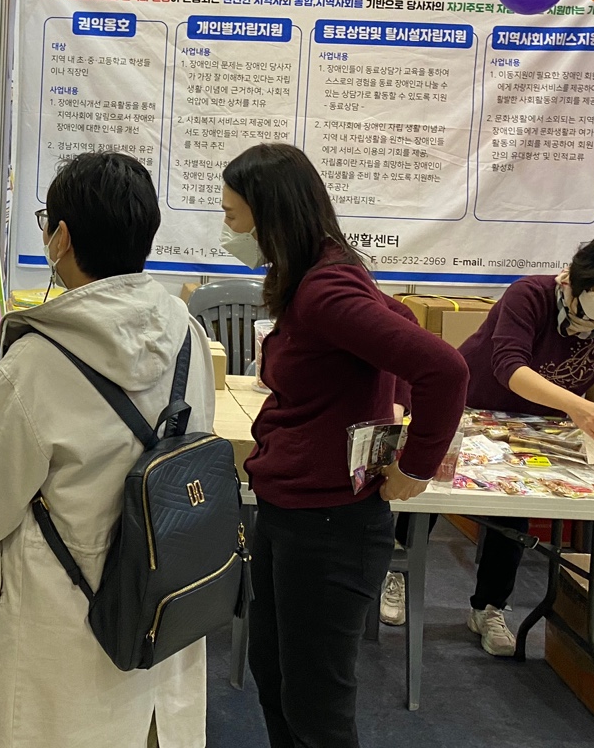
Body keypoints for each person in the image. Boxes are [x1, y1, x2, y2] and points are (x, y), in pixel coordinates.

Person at [0, 152, 218, 748]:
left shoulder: (36, 363)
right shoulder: (187, 332)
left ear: (61, 237)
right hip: (161, 607)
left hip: (59, 629)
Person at [221, 143, 467, 748]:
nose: (226, 228)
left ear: (270, 215)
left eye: (232, 215)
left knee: (316, 703)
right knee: (276, 675)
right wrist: (387, 401)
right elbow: (400, 321)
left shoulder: (324, 289)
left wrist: (417, 464)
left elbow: (444, 368)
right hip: (293, 508)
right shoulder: (314, 273)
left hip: (329, 522)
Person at [454, 230, 594, 657]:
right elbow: (508, 366)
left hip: (536, 427)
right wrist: (576, 405)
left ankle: (488, 607)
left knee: (515, 509)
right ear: (583, 278)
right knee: (430, 494)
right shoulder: (530, 295)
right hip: (471, 406)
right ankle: (399, 573)